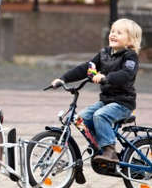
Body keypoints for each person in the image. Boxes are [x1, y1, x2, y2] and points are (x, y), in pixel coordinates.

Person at [51, 18, 142, 164]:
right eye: (112, 31)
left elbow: (126, 74)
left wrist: (105, 77)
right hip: (106, 101)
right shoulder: (104, 53)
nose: (113, 34)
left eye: (119, 33)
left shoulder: (130, 56)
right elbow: (86, 68)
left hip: (123, 102)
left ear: (130, 40)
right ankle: (100, 148)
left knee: (100, 116)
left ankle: (109, 151)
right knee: (82, 118)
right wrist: (63, 79)